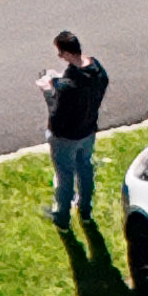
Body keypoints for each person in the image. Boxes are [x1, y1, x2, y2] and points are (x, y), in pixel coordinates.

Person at [45, 32, 113, 242]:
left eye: (60, 52)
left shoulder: (69, 86)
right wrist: (59, 82)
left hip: (66, 138)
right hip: (88, 131)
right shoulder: (97, 70)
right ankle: (85, 210)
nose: (59, 56)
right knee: (85, 168)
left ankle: (62, 218)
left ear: (67, 53)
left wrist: (48, 91)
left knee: (65, 176)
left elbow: (56, 113)